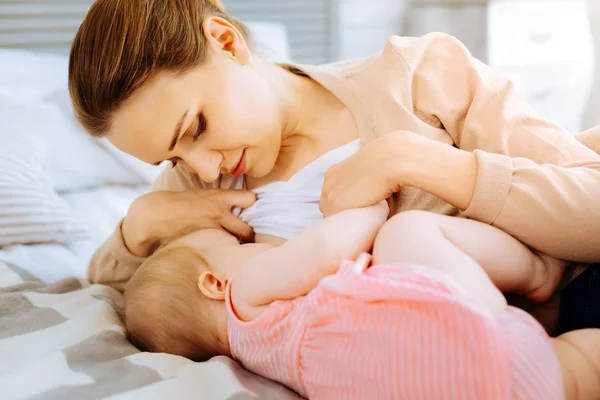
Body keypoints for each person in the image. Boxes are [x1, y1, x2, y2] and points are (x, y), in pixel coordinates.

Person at [69, 0, 600, 330]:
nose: (203, 169)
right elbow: (121, 289)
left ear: (227, 43)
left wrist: (420, 162)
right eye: (172, 156)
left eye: (196, 129)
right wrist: (138, 226)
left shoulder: (418, 75)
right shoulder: (197, 186)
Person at [124, 204, 596, 400]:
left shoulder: (268, 359)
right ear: (213, 283)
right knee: (406, 232)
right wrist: (371, 209)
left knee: (573, 367)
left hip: (471, 385)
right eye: (236, 246)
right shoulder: (244, 295)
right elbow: (325, 250)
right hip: (484, 343)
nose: (255, 244)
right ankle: (539, 271)